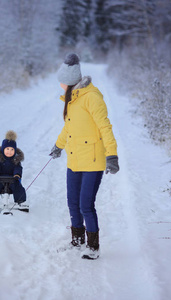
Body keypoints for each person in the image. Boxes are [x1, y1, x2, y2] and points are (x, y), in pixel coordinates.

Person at [49, 53, 119, 260]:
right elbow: (68, 129)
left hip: (94, 160)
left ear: (70, 81)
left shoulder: (92, 98)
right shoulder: (72, 99)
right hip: (75, 159)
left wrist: (112, 156)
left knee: (85, 205)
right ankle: (77, 240)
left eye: (62, 81)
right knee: (72, 202)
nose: (60, 84)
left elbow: (105, 127)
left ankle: (93, 247)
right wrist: (58, 146)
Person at [0, 130, 26, 206]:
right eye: (7, 149)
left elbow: (18, 168)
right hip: (0, 179)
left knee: (18, 187)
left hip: (12, 180)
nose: (9, 152)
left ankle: (20, 202)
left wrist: (17, 175)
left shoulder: (16, 161)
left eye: (12, 150)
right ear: (3, 150)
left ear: (15, 151)